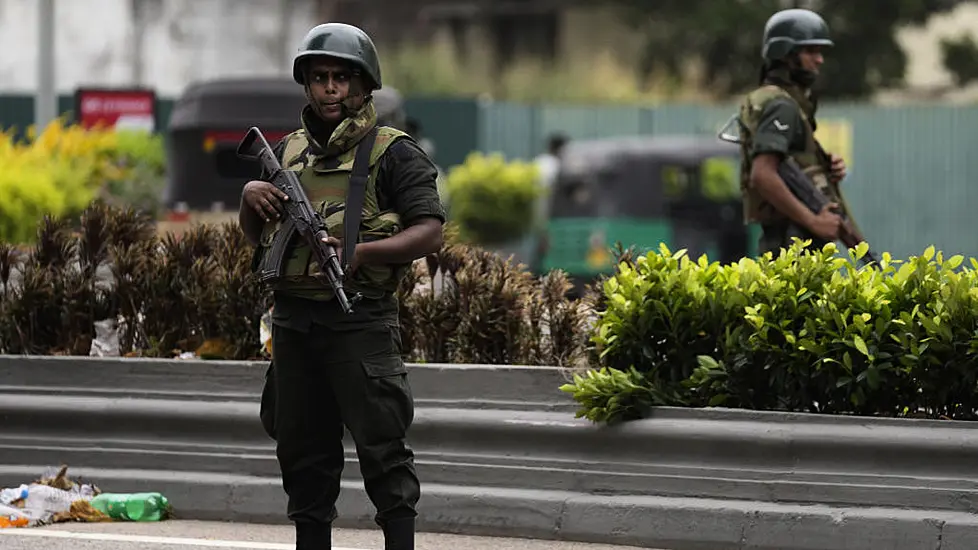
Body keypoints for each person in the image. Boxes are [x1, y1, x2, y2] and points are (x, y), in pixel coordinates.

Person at [237, 22, 445, 550]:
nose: (331, 88)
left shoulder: (394, 153)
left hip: (361, 321)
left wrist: (361, 253)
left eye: (342, 79)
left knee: (383, 451)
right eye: (320, 77)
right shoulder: (285, 154)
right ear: (306, 84)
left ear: (364, 85)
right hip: (293, 323)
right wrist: (250, 200)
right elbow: (258, 238)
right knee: (303, 454)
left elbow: (429, 231)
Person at [737, 8, 849, 257]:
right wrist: (813, 221)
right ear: (784, 54)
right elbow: (763, 174)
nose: (819, 59)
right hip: (791, 242)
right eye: (810, 51)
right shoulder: (782, 106)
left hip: (789, 239)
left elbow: (789, 163)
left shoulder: (782, 102)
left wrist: (824, 168)